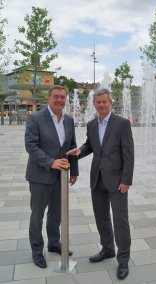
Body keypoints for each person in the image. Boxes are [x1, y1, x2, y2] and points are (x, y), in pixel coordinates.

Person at [67, 88, 134, 280]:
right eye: (98, 102)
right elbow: (91, 145)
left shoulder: (122, 124)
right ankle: (107, 249)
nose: (101, 105)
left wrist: (126, 180)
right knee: (101, 217)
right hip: (97, 178)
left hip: (117, 181)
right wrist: (79, 151)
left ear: (110, 102)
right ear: (94, 104)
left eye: (104, 101)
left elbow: (129, 155)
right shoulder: (91, 125)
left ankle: (123, 260)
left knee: (120, 220)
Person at [25, 85, 78, 269]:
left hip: (61, 176)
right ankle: (37, 250)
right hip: (40, 176)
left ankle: (54, 243)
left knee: (56, 213)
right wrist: (50, 162)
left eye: (63, 97)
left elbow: (72, 147)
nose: (59, 100)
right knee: (37, 215)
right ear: (49, 98)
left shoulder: (69, 120)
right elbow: (31, 146)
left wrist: (75, 172)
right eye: (56, 97)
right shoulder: (36, 118)